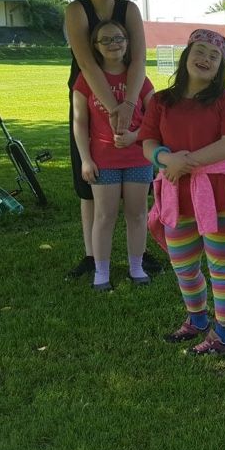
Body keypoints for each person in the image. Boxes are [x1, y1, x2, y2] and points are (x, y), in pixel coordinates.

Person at [140, 28, 225, 355]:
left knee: (220, 267)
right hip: (177, 194)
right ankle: (197, 320)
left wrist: (184, 162)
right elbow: (148, 143)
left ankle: (223, 335)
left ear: (220, 67)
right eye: (200, 51)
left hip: (220, 194)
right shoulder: (161, 101)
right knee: (183, 265)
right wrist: (166, 159)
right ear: (186, 55)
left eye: (214, 56)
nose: (206, 59)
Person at [64, 0, 161, 279]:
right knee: (90, 181)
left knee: (136, 199)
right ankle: (93, 258)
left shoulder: (128, 9)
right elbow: (86, 61)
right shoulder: (77, 10)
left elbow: (139, 59)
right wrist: (111, 107)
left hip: (128, 90)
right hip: (91, 90)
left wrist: (129, 105)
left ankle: (139, 256)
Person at [72, 20, 156, 291]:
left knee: (137, 214)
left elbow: (156, 119)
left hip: (138, 158)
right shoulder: (86, 79)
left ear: (128, 42)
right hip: (103, 160)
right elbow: (79, 122)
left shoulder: (139, 78)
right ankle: (101, 272)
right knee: (104, 216)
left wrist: (135, 136)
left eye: (119, 38)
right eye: (105, 40)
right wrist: (86, 159)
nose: (113, 44)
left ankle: (136, 267)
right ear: (95, 46)